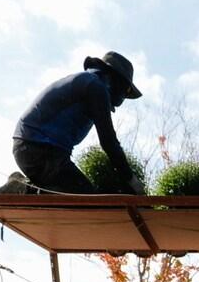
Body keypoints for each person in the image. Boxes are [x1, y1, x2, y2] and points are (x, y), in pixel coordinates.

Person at [9, 51, 145, 195]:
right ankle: (21, 189)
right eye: (127, 90)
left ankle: (22, 186)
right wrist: (131, 179)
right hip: (39, 149)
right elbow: (108, 141)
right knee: (83, 198)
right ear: (116, 79)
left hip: (31, 147)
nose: (124, 95)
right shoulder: (95, 87)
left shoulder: (88, 81)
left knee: (75, 193)